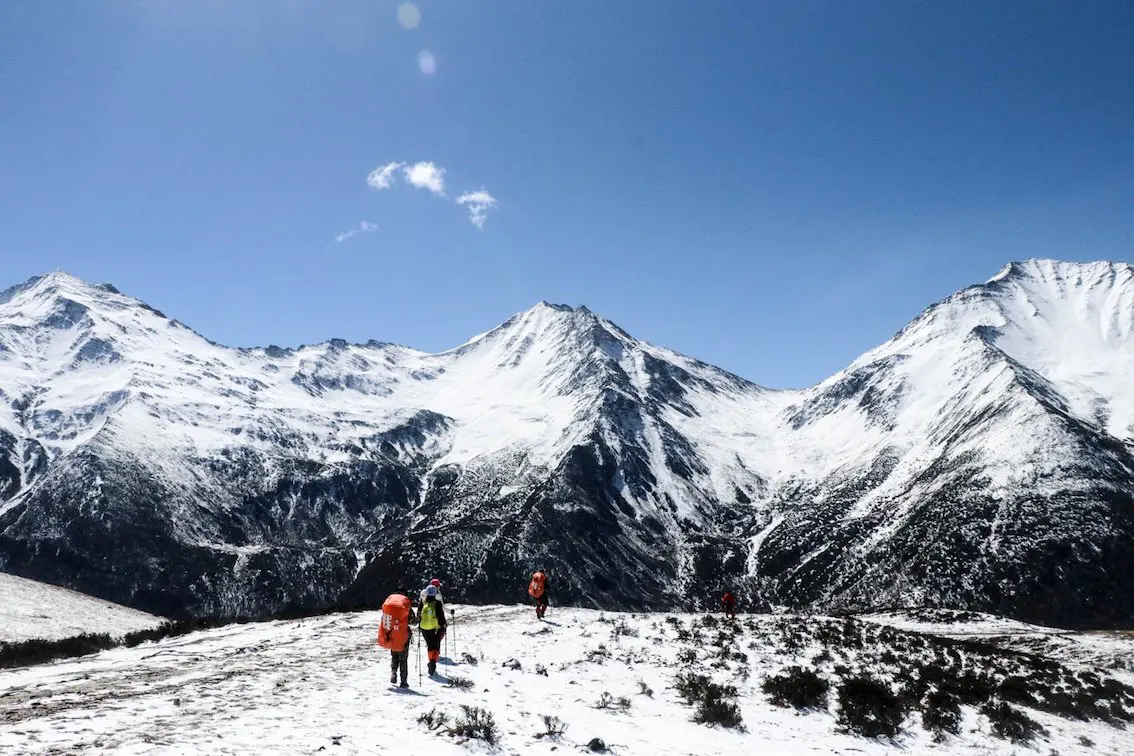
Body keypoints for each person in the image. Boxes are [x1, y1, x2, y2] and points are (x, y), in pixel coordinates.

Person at [381, 587, 416, 688]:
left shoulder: (391, 607)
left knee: (394, 656)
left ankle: (393, 673)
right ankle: (403, 681)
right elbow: (413, 622)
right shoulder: (406, 607)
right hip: (403, 636)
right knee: (403, 659)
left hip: (392, 636)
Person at [419, 584, 448, 676]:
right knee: (435, 647)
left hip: (424, 629)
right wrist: (443, 626)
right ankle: (432, 663)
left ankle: (431, 662)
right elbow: (441, 617)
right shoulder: (437, 603)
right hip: (435, 629)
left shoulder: (423, 603)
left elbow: (419, 615)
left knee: (429, 646)